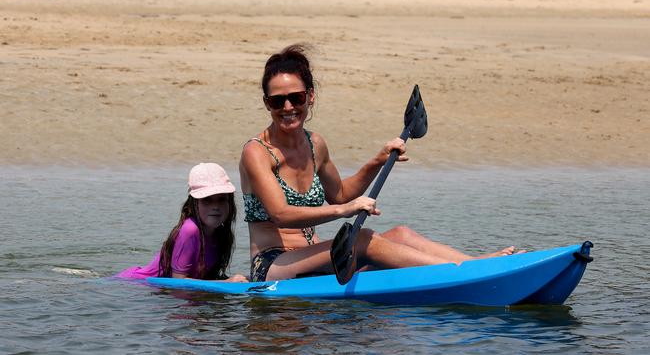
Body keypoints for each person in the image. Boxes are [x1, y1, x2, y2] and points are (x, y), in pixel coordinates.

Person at [240, 44, 521, 282]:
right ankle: (468, 274)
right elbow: (282, 214)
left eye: (296, 97)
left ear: (310, 96)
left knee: (401, 234)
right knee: (363, 239)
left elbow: (339, 194)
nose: (288, 107)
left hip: (321, 260)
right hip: (273, 265)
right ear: (267, 104)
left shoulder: (315, 144)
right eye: (278, 101)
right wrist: (344, 211)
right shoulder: (257, 152)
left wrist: (378, 160)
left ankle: (477, 266)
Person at [116, 163, 248, 282]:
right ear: (194, 204)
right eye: (207, 200)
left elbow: (205, 278)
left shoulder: (221, 233)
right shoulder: (190, 229)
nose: (215, 206)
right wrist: (226, 282)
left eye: (221, 199)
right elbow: (179, 282)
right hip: (133, 285)